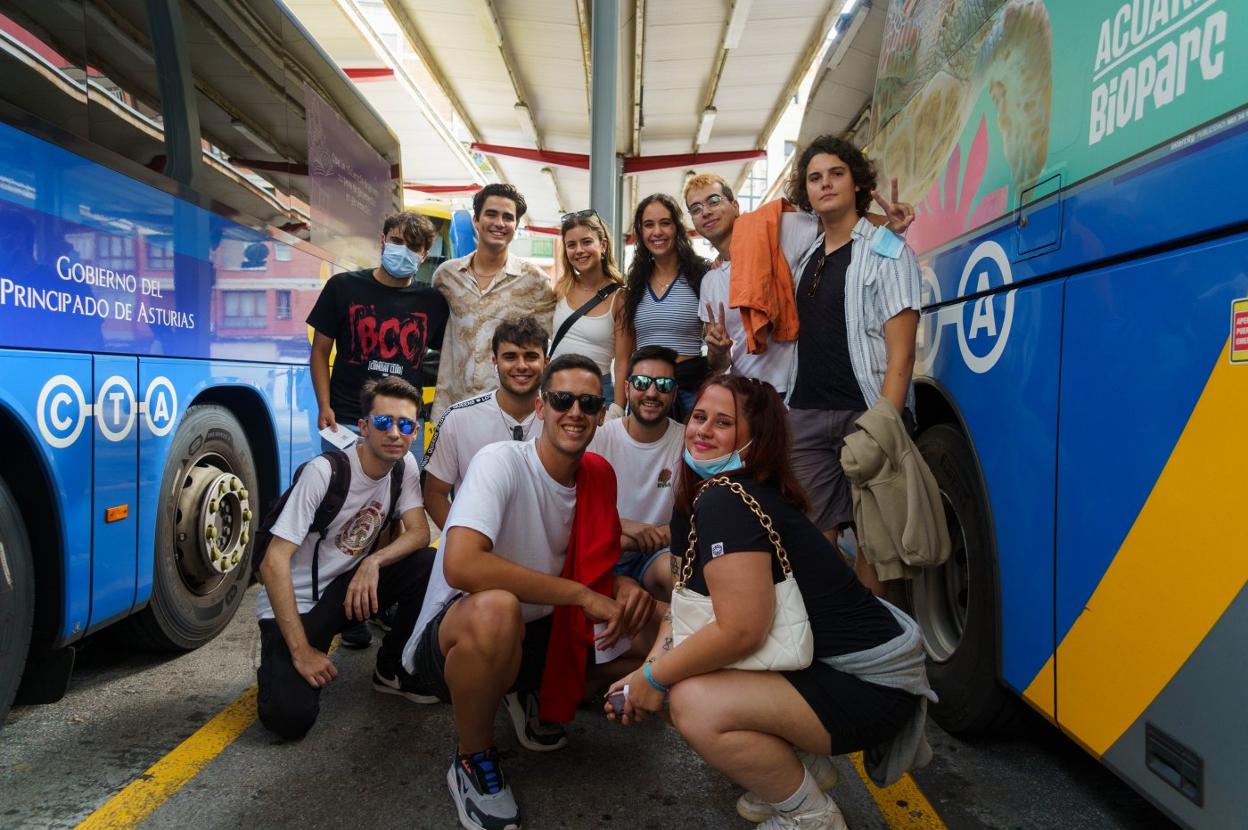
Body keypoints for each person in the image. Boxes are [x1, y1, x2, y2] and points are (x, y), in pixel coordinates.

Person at [607, 376, 933, 830]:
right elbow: (684, 606)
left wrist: (655, 679)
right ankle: (800, 767)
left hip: (869, 685)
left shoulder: (727, 500)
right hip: (827, 667)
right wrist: (645, 671)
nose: (702, 430)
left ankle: (810, 816)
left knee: (692, 701)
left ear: (756, 439)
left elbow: (743, 630)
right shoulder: (697, 495)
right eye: (699, 417)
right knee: (684, 670)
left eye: (724, 423)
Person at [401, 354, 655, 830]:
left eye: (587, 402)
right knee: (498, 610)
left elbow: (590, 556)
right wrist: (581, 595)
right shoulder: (501, 461)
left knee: (651, 626)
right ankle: (473, 761)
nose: (574, 412)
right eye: (562, 400)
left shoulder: (596, 474)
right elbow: (460, 564)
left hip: (545, 629)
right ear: (541, 407)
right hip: (461, 632)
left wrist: (620, 584)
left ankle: (534, 692)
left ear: (602, 415)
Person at [255, 376, 435, 740]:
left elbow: (420, 532)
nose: (395, 433)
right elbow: (272, 563)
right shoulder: (326, 472)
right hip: (301, 601)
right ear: (364, 427)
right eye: (384, 422)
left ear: (415, 431)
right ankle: (284, 657)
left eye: (406, 425)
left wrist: (373, 562)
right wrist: (302, 650)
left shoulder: (404, 467)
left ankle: (392, 667)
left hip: (350, 588)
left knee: (428, 565)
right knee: (287, 719)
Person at [782, 135, 922, 595]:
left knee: (874, 545)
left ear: (857, 182)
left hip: (863, 413)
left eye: (836, 173)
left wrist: (885, 422)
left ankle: (870, 658)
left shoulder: (888, 249)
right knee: (814, 549)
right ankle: (831, 648)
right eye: (815, 177)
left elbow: (901, 351)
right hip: (804, 416)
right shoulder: (805, 256)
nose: (825, 184)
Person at [308, 210, 447, 647]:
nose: (401, 251)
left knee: (388, 513)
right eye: (394, 241)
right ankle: (342, 606)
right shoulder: (344, 287)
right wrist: (325, 405)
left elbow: (450, 353)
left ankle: (375, 597)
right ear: (381, 241)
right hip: (349, 417)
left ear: (424, 255)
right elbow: (321, 351)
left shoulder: (431, 301)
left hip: (401, 422)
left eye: (412, 246)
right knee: (342, 511)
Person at [432, 183, 556, 422]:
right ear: (476, 221)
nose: (499, 223)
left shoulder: (535, 281)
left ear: (516, 226)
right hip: (455, 409)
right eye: (491, 214)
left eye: (508, 217)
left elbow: (547, 348)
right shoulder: (447, 277)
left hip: (511, 413)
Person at [422, 317, 548, 530]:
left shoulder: (564, 418)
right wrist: (462, 543)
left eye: (531, 356)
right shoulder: (458, 418)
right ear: (495, 362)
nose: (521, 365)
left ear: (547, 362)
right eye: (510, 357)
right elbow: (434, 493)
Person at [588, 345, 684, 598]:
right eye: (641, 382)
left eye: (663, 385)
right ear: (627, 388)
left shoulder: (687, 441)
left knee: (678, 576)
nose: (651, 392)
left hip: (657, 554)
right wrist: (622, 526)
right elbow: (576, 512)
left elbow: (701, 515)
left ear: (674, 393)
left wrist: (665, 533)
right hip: (604, 552)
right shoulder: (599, 438)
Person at [618, 193, 710, 420]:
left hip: (689, 390)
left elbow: (718, 338)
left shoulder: (701, 275)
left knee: (688, 455)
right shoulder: (635, 286)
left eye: (665, 223)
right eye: (649, 225)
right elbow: (623, 357)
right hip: (643, 391)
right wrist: (618, 407)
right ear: (641, 233)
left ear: (677, 228)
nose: (657, 232)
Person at [550, 209, 626, 404]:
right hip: (555, 387)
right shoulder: (561, 287)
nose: (579, 250)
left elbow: (623, 362)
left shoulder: (620, 296)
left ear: (603, 245)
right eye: (571, 245)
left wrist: (618, 407)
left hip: (596, 392)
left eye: (586, 242)